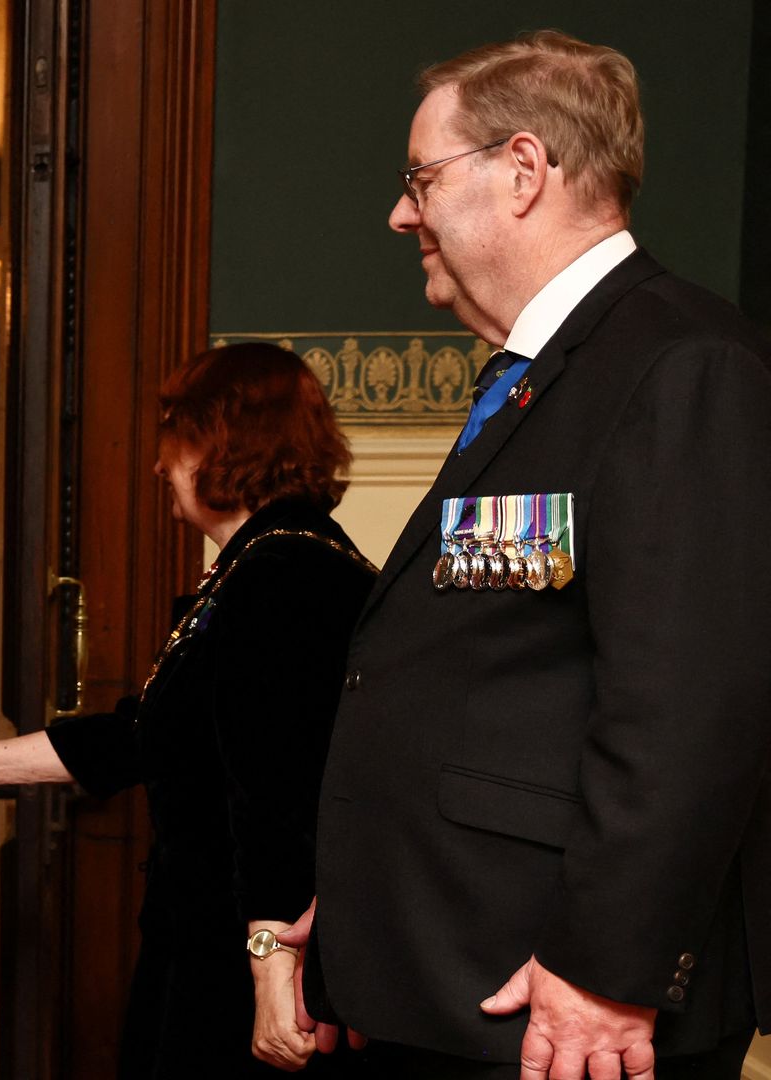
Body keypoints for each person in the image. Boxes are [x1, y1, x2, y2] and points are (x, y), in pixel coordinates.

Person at [287, 30, 771, 1079]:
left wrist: (607, 968)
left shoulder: (683, 363)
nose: (401, 213)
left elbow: (691, 708)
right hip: (454, 964)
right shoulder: (537, 372)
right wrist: (369, 899)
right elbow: (494, 679)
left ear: (522, 170)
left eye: (420, 179)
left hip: (563, 1006)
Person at [0, 343, 374, 1078]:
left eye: (172, 438)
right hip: (211, 944)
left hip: (246, 961)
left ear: (220, 440)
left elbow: (276, 795)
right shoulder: (259, 565)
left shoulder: (283, 573)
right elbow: (141, 736)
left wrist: (273, 964)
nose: (157, 465)